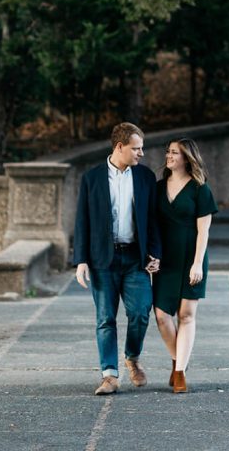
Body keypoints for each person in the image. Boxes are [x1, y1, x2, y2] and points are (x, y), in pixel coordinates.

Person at [73, 122, 161, 395]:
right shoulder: (92, 178)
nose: (141, 153)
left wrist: (155, 253)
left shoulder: (145, 178)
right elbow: (82, 221)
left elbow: (154, 220)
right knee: (105, 318)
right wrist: (81, 260)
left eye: (142, 148)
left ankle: (132, 357)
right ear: (119, 147)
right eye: (136, 148)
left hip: (135, 258)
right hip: (103, 259)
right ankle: (109, 375)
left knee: (140, 313)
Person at [153, 137, 218, 393]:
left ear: (187, 158)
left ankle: (179, 372)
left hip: (192, 256)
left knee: (186, 315)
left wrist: (198, 264)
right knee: (161, 316)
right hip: (165, 259)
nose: (169, 156)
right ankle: (177, 357)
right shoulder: (158, 188)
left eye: (174, 153)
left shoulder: (200, 188)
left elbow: (204, 230)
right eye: (168, 152)